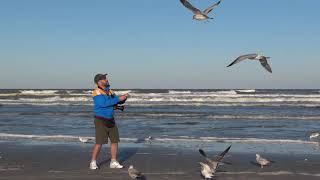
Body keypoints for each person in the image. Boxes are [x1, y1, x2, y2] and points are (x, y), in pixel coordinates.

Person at [89, 73, 129, 170]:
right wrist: (118, 99)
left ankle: (113, 161)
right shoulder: (96, 92)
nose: (106, 80)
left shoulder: (110, 91)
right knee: (99, 142)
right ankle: (93, 162)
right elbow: (103, 103)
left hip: (111, 119)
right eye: (104, 79)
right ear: (99, 81)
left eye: (106, 78)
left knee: (115, 141)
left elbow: (116, 101)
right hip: (100, 119)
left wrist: (123, 98)